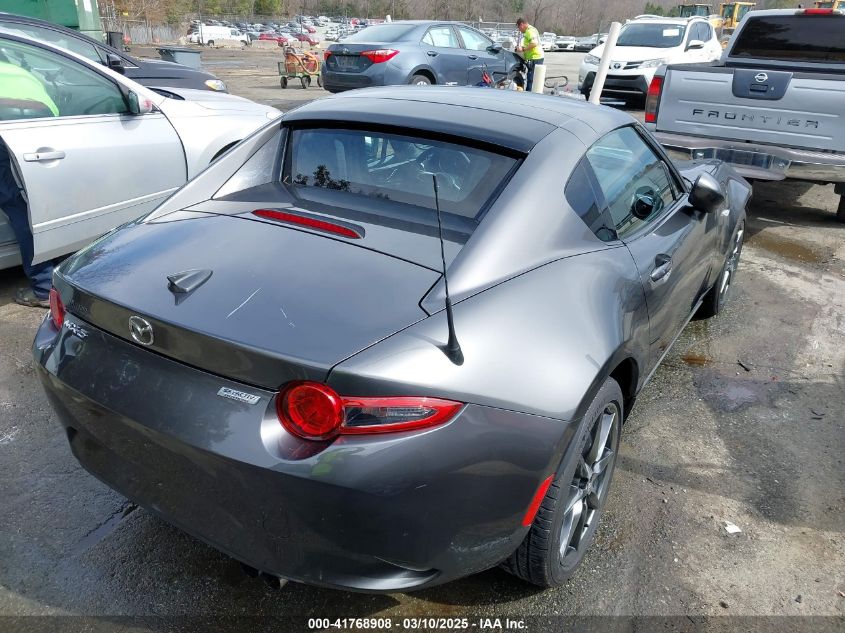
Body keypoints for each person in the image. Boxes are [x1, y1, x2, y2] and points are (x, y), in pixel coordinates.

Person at [0, 60, 59, 308]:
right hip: (27, 133)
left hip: (13, 134)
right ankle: (48, 284)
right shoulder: (17, 65)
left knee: (20, 207)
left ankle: (44, 286)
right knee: (26, 206)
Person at [515, 17, 544, 92]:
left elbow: (534, 43)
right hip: (536, 57)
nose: (519, 30)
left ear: (522, 25)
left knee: (531, 78)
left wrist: (523, 49)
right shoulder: (531, 29)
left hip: (535, 57)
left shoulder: (529, 31)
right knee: (534, 78)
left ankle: (529, 94)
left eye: (519, 28)